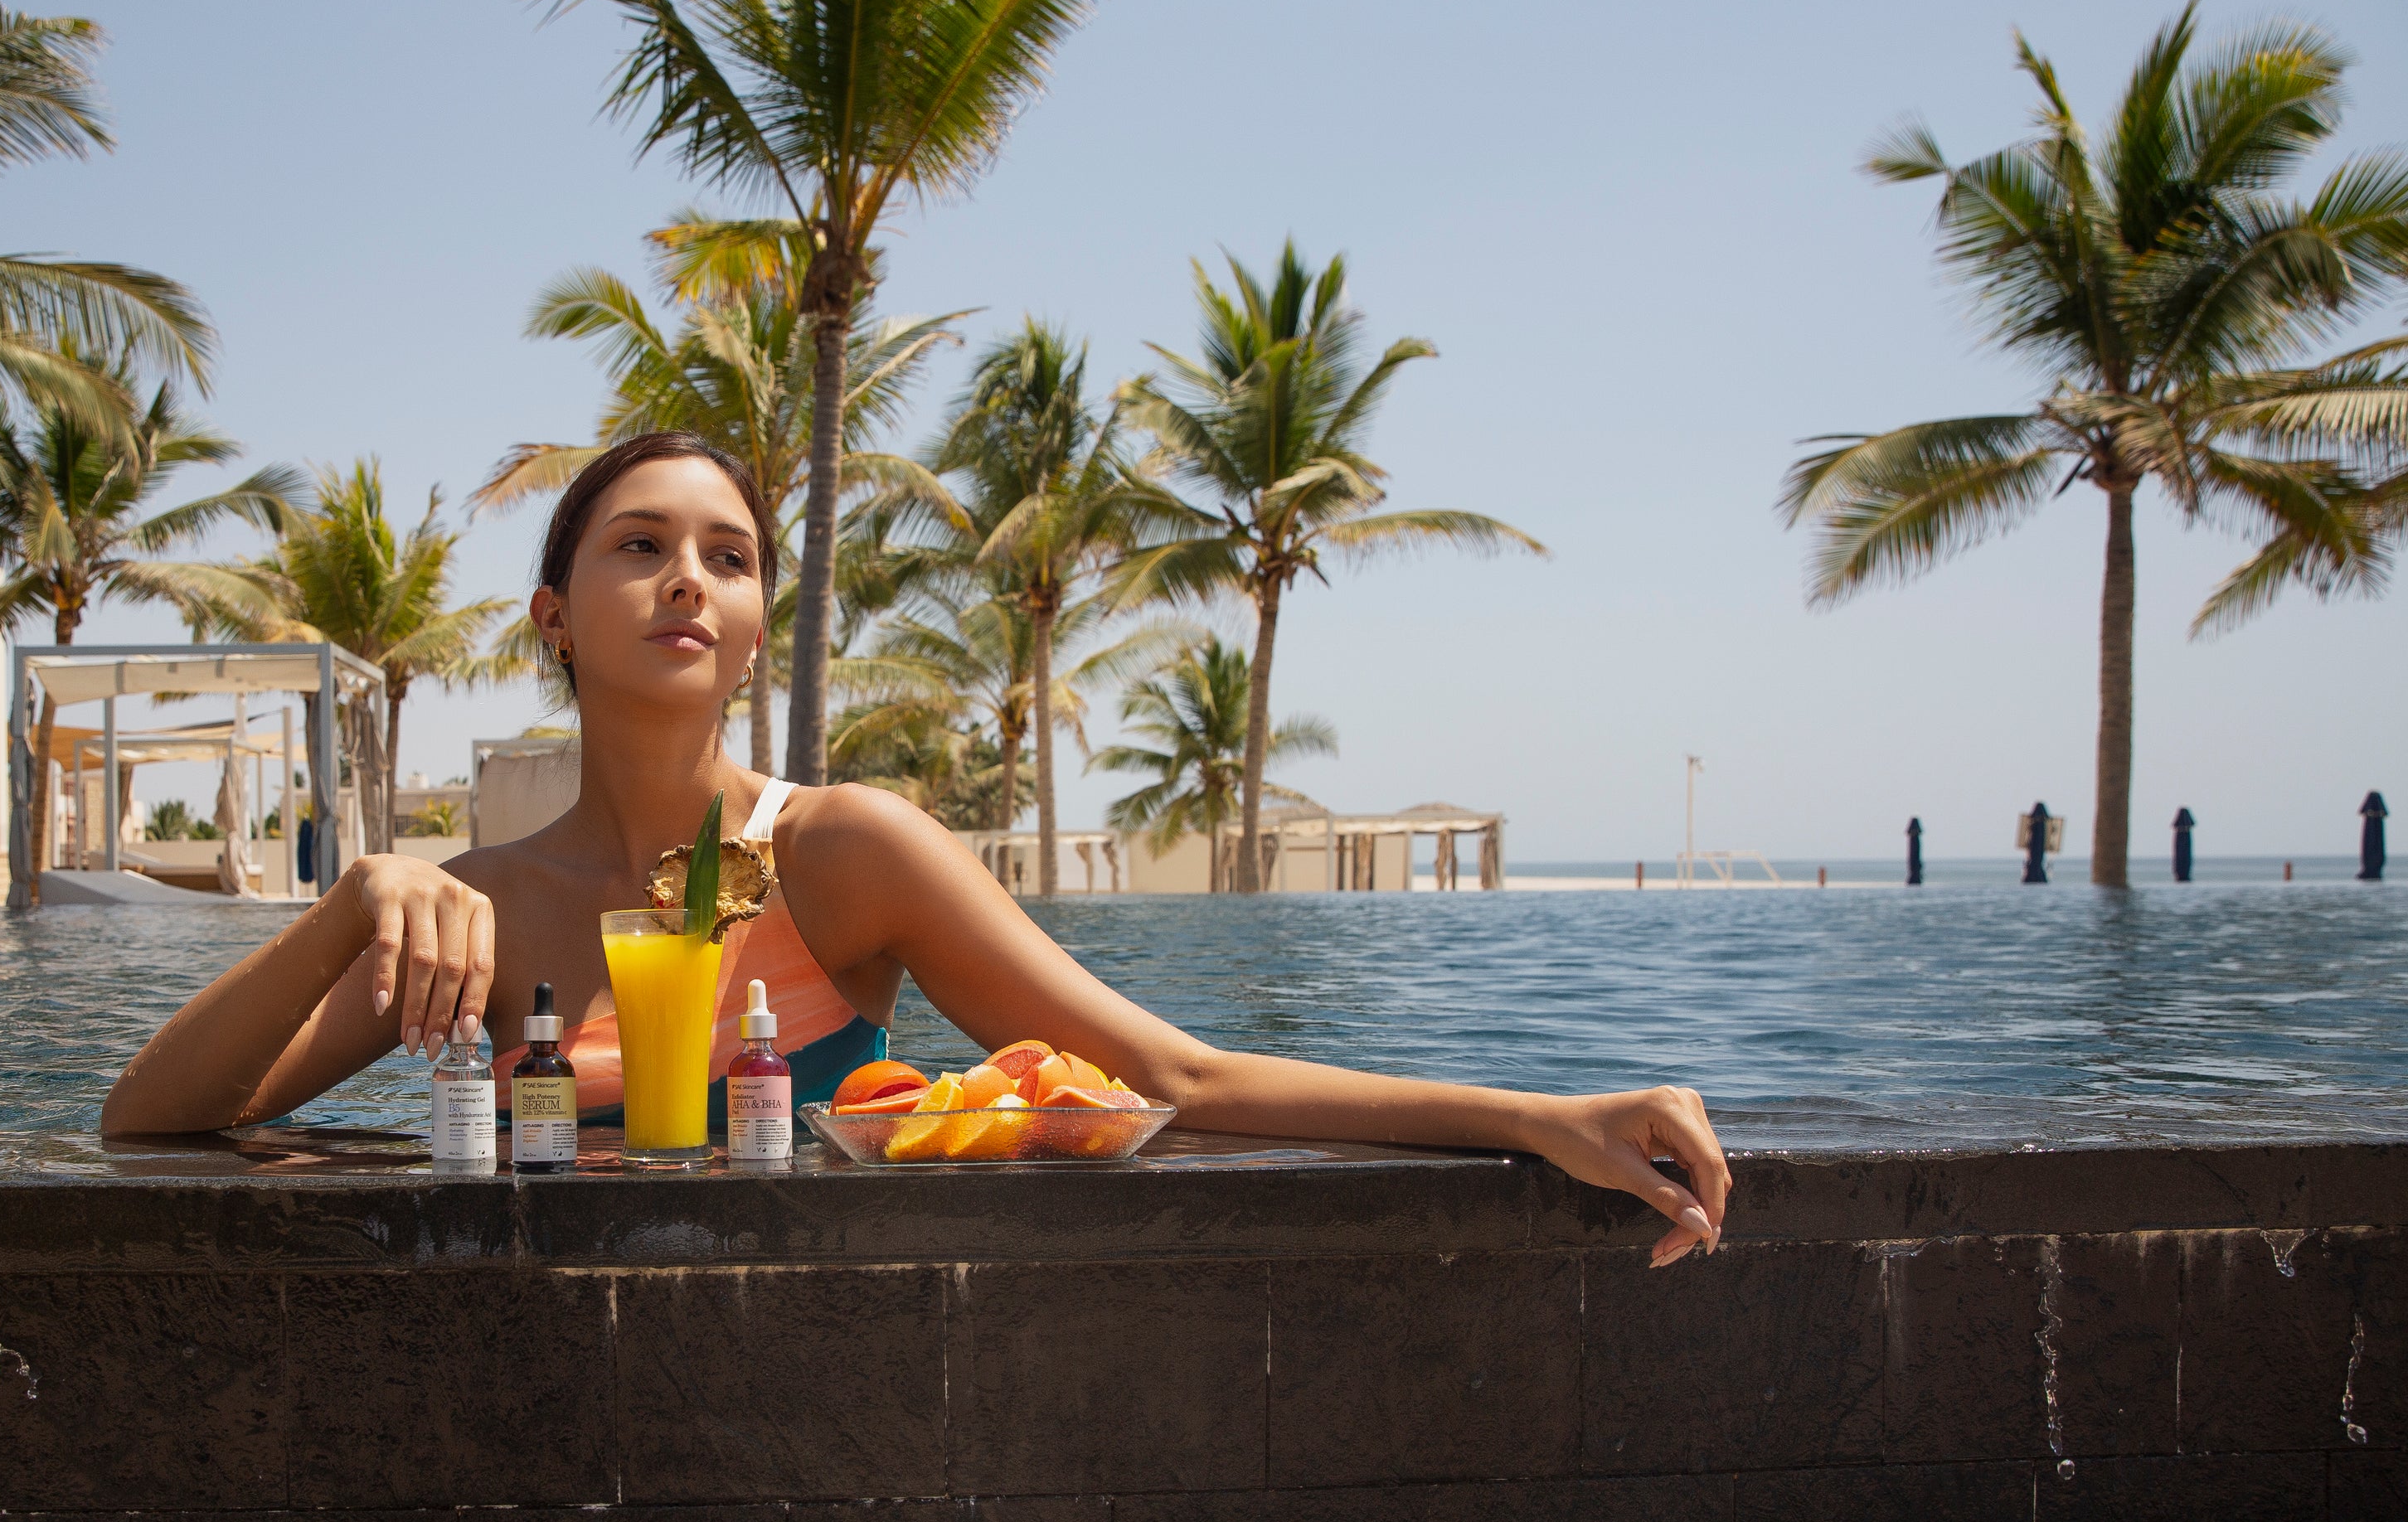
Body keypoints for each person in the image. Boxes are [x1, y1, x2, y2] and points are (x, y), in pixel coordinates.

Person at [104, 432, 1731, 1265]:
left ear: (754, 629)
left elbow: (1177, 1078)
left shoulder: (841, 852)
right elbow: (151, 1123)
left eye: (727, 557)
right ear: (553, 614)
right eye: (640, 546)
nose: (688, 578)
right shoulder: (479, 913)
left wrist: (1540, 1116)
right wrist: (354, 906)